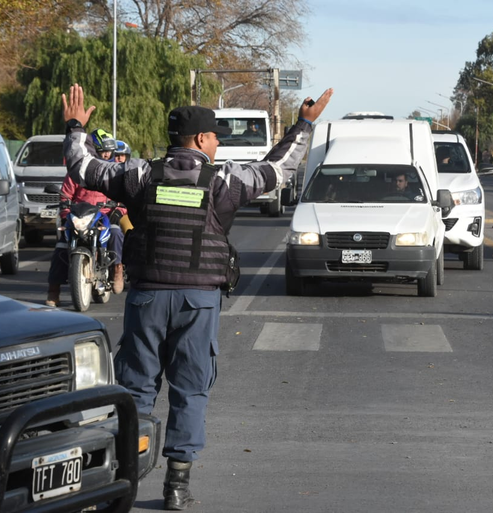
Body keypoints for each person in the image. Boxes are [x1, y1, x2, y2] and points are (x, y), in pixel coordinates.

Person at [61, 83, 333, 510]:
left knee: (136, 389)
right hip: (197, 302)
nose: (220, 142)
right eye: (217, 135)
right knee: (191, 388)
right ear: (202, 140)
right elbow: (278, 169)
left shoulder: (138, 174)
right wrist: (303, 124)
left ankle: (125, 483)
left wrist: (76, 127)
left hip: (147, 299)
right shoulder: (223, 179)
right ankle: (176, 487)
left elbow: (82, 167)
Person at [45, 128, 126, 306]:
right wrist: (66, 214)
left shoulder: (116, 172)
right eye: (102, 151)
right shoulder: (79, 169)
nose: (106, 155)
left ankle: (117, 269)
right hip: (79, 216)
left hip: (103, 217)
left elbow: (124, 197)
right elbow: (65, 196)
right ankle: (54, 291)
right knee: (61, 247)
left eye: (109, 151)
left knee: (116, 233)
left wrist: (118, 211)